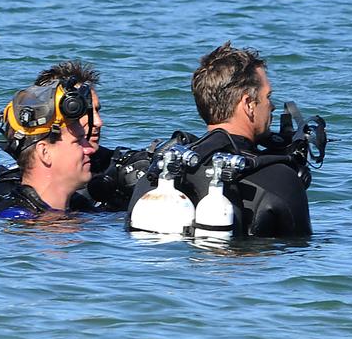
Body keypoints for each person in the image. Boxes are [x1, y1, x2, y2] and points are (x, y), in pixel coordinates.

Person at [126, 42, 312, 238]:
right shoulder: (279, 179)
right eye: (268, 97)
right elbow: (300, 252)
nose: (272, 106)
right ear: (248, 104)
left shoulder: (159, 171)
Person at [0, 80, 97, 219]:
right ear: (44, 152)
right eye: (78, 141)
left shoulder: (82, 209)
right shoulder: (16, 218)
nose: (89, 149)